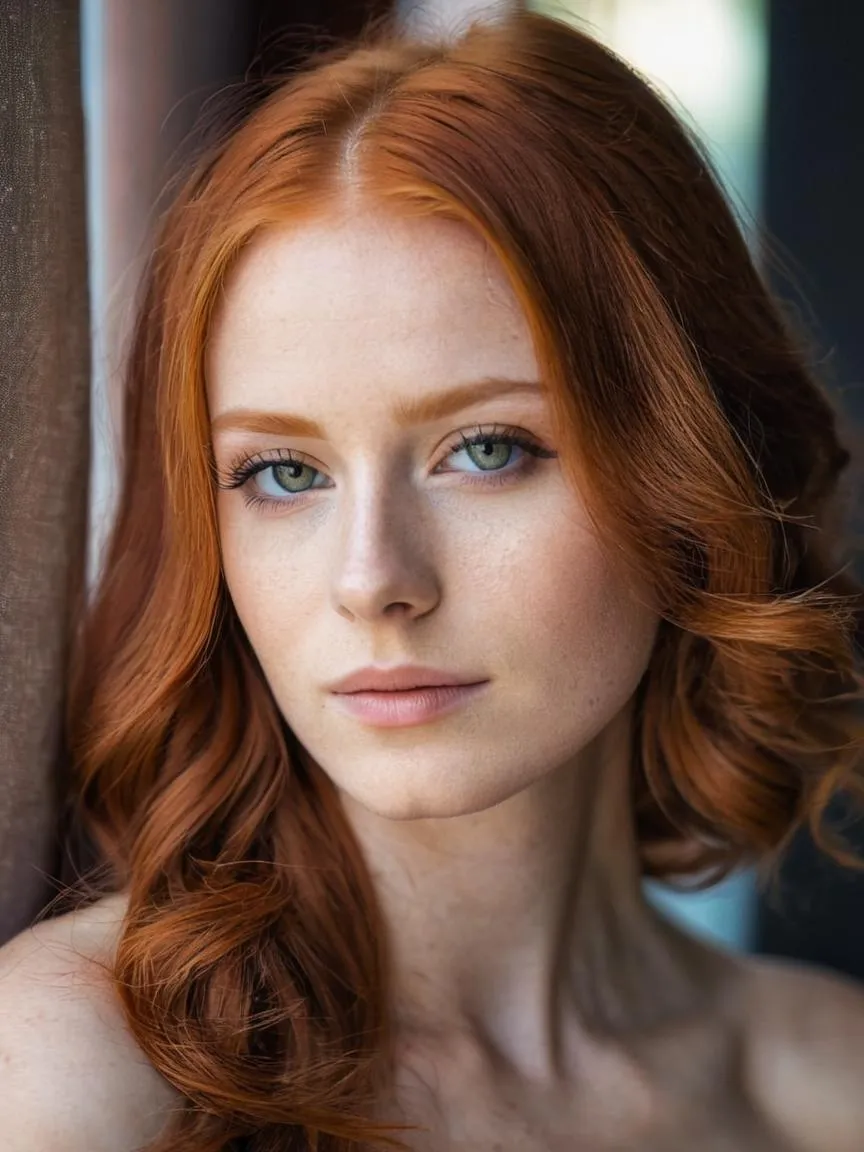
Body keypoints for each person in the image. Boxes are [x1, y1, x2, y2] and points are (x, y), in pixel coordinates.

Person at [2, 7, 864, 1151]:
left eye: (487, 450)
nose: (373, 582)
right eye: (282, 471)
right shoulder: (77, 1069)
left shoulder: (826, 1086)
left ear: (696, 471)